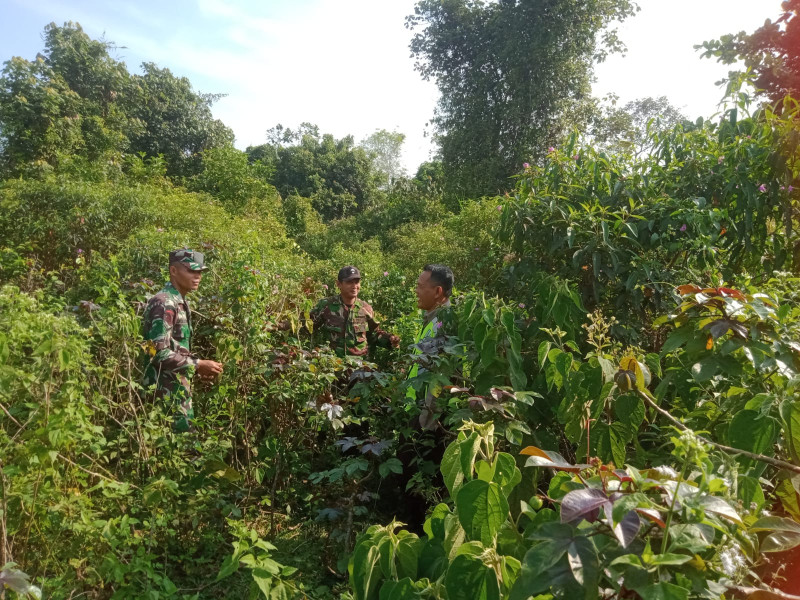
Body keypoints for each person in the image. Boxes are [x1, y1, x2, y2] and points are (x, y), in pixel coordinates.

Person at [142, 249, 223, 432]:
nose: (197, 277)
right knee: (182, 452)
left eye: (199, 272)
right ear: (173, 271)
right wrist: (197, 364)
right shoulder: (164, 303)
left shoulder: (179, 301)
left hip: (177, 391)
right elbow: (155, 352)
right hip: (164, 395)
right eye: (191, 271)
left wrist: (197, 369)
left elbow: (176, 348)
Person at [406, 264, 456, 430]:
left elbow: (440, 377)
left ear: (437, 292)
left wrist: (426, 423)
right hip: (418, 410)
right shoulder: (433, 318)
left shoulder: (445, 324)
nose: (416, 291)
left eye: (420, 287)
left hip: (428, 420)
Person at [310, 266, 400, 358]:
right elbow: (307, 328)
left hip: (359, 367)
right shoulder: (326, 305)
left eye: (357, 282)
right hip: (332, 365)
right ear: (338, 284)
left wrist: (390, 340)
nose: (354, 286)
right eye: (349, 282)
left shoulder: (365, 308)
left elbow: (373, 335)